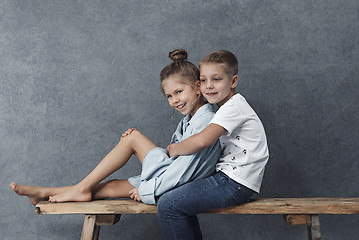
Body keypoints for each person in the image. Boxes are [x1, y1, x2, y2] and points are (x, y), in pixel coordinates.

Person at [9, 49, 221, 206]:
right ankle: (43, 192)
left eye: (179, 92)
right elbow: (176, 160)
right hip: (169, 175)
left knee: (132, 137)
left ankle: (79, 189)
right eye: (169, 96)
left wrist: (146, 190)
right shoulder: (189, 120)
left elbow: (184, 171)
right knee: (109, 187)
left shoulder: (206, 120)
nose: (174, 100)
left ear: (197, 88)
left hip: (177, 183)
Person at [157, 50, 269, 239]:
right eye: (204, 80)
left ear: (233, 81)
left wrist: (174, 149)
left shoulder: (233, 107)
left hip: (234, 183)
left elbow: (202, 140)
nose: (208, 87)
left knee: (168, 205)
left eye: (216, 79)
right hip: (230, 179)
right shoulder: (226, 107)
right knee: (177, 200)